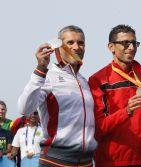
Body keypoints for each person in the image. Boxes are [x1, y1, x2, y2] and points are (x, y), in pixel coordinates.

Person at [18, 25, 97, 166]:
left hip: (86, 162)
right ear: (59, 47)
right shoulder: (48, 76)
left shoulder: (84, 81)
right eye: (70, 42)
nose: (76, 47)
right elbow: (24, 109)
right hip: (56, 161)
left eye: (81, 43)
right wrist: (40, 69)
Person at [88, 24, 141, 167]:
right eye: (125, 43)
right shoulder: (98, 80)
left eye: (134, 43)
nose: (131, 47)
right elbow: (98, 128)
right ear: (111, 47)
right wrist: (126, 111)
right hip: (109, 161)